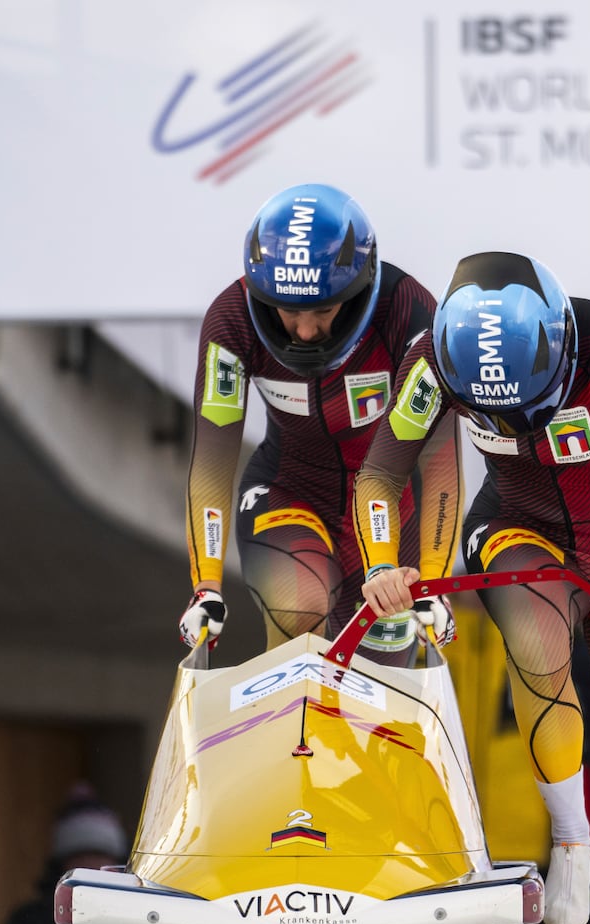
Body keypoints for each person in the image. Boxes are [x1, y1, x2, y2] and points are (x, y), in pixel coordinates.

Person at [355, 252, 590, 924]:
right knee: (534, 640)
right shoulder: (433, 361)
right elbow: (380, 474)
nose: (509, 419)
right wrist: (382, 565)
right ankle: (570, 836)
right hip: (521, 525)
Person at [180, 182, 461, 664]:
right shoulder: (231, 320)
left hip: (390, 504)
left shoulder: (410, 313)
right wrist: (205, 585)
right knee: (300, 608)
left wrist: (433, 577)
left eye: (324, 311)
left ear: (357, 293)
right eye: (288, 312)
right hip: (288, 488)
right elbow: (212, 460)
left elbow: (440, 461)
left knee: (384, 660)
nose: (306, 331)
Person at [0, 783, 131, 924]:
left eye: (98, 856)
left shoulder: (135, 919)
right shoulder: (32, 923)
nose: (91, 866)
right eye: (80, 857)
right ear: (62, 865)